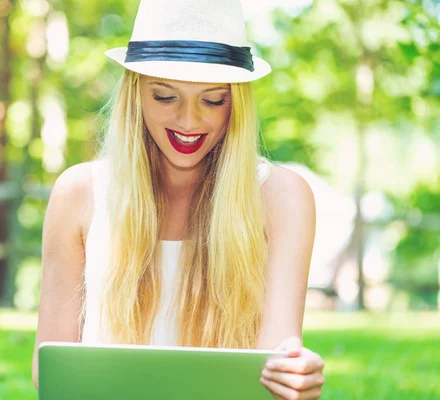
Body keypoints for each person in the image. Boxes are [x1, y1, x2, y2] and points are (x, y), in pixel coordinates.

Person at [32, 0, 325, 398]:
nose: (189, 121)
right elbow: (50, 368)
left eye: (212, 100)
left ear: (236, 103)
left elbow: (277, 357)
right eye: (166, 97)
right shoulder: (78, 193)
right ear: (135, 94)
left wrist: (294, 375)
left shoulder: (283, 197)